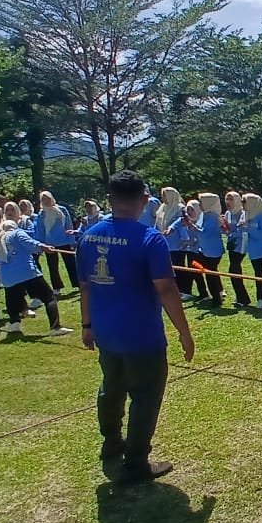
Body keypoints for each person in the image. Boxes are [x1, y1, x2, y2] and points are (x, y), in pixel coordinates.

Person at [77, 170, 195, 484]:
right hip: (141, 335)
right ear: (144, 199)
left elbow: (85, 287)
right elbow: (167, 289)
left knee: (111, 387)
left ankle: (111, 443)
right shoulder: (149, 238)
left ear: (109, 200)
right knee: (145, 395)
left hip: (105, 331)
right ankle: (136, 462)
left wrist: (86, 325)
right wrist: (184, 333)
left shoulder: (88, 236)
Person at [0, 218, 72, 337]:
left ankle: (14, 324)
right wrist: (43, 246)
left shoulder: (0, 238)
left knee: (12, 299)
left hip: (8, 276)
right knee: (49, 297)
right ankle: (55, 327)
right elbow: (29, 242)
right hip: (26, 271)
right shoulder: (17, 232)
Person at [35, 191, 78, 290]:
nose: (46, 201)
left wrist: (72, 240)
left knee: (71, 264)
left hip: (64, 241)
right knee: (53, 267)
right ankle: (57, 287)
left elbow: (68, 225)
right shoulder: (41, 214)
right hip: (50, 243)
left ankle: (77, 284)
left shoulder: (62, 210)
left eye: (47, 198)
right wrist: (41, 245)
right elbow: (40, 230)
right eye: (43, 199)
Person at [241, 193, 262, 309]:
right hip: (254, 251)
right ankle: (261, 300)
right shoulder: (246, 216)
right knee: (258, 276)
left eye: (244, 202)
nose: (242, 204)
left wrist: (248, 228)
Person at [194, 193, 226, 307]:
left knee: (210, 274)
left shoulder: (213, 216)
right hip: (204, 249)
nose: (200, 204)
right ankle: (217, 295)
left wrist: (193, 227)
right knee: (208, 272)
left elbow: (206, 232)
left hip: (213, 250)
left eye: (201, 202)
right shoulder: (204, 215)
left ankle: (216, 299)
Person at [222, 191, 252, 307]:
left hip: (241, 244)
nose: (228, 202)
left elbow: (243, 230)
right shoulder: (228, 214)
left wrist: (231, 232)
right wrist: (224, 228)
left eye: (230, 199)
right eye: (226, 199)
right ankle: (241, 298)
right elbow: (227, 230)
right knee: (234, 270)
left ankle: (243, 299)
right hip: (231, 245)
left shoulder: (243, 212)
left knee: (233, 270)